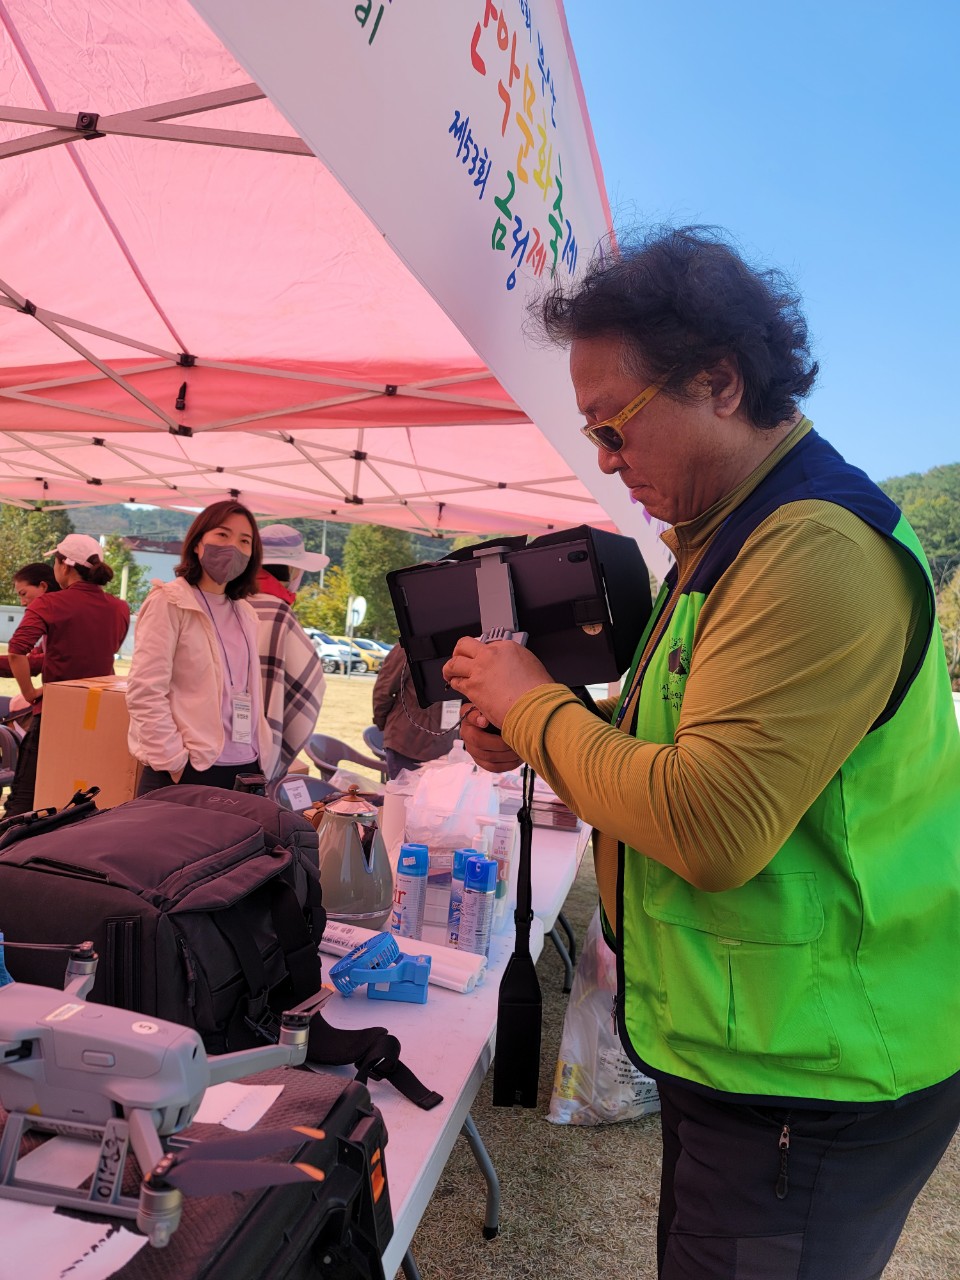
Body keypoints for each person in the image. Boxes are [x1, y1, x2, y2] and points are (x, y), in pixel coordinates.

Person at [442, 227, 960, 1280]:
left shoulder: (813, 549)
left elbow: (709, 822)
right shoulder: (726, 545)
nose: (605, 458)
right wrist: (535, 725)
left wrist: (535, 707)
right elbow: (673, 748)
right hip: (747, 1050)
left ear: (720, 382)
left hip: (813, 1072)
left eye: (614, 425)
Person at [126, 500, 273, 793]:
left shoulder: (245, 612)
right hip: (192, 768)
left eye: (244, 541)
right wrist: (174, 760)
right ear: (197, 543)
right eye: (222, 534)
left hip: (246, 767)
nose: (233, 547)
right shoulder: (170, 601)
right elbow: (145, 690)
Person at [4, 535, 130, 816]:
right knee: (84, 797)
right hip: (103, 717)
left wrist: (29, 693)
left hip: (55, 713)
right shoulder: (120, 607)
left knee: (24, 799)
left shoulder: (50, 604)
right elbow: (109, 649)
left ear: (64, 565)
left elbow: (17, 651)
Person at [249, 524, 327, 780]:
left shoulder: (226, 602)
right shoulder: (279, 614)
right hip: (257, 752)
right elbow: (311, 687)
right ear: (293, 571)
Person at [372, 641, 457, 779]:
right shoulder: (408, 646)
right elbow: (384, 691)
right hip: (407, 744)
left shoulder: (462, 646)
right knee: (404, 792)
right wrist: (382, 723)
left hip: (446, 748)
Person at [0, 562, 60, 685]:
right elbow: (33, 657)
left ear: (43, 586)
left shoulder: (62, 617)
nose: (22, 603)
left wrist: (29, 692)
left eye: (23, 594)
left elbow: (23, 656)